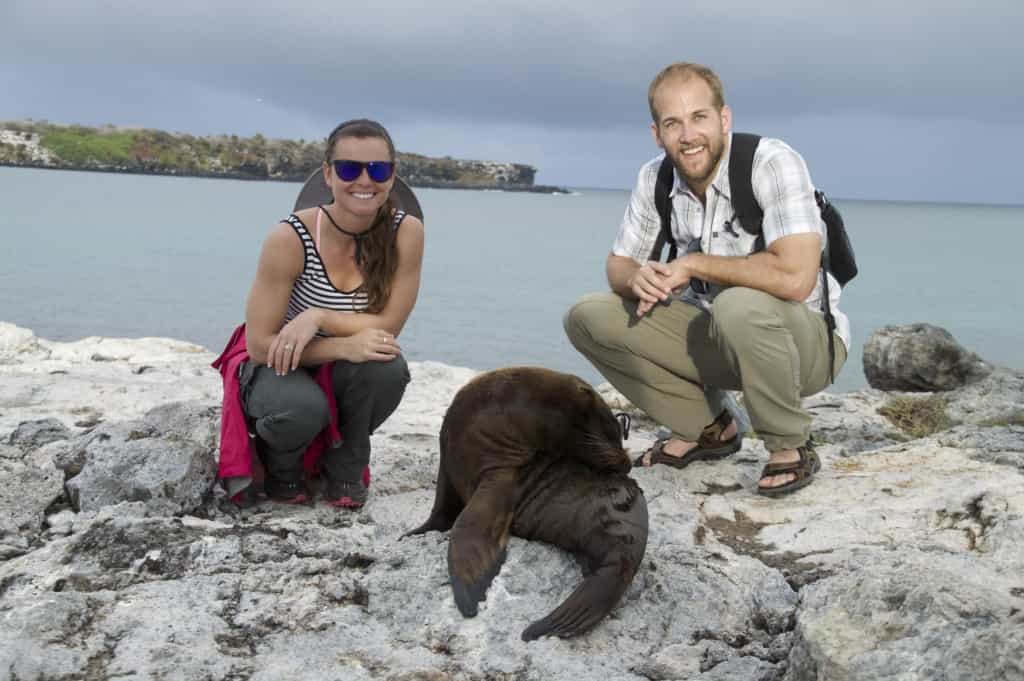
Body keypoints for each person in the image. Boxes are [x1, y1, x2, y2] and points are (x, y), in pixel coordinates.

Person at [563, 62, 850, 497]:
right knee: (587, 317)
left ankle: (789, 445)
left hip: (805, 347)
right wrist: (640, 277)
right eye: (672, 123)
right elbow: (619, 264)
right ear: (657, 133)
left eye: (699, 117)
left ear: (724, 118)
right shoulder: (655, 177)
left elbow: (796, 277)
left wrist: (694, 265)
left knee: (738, 305)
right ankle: (708, 429)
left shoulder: (771, 163)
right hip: (721, 336)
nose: (688, 135)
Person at [214, 118, 425, 508]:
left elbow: (389, 326)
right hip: (277, 360)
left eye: (378, 169)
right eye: (349, 169)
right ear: (328, 174)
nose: (365, 180)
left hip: (341, 364)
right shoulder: (290, 237)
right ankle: (282, 467)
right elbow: (260, 345)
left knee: (388, 367)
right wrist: (342, 346)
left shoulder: (406, 232)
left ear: (392, 175)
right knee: (301, 407)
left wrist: (319, 317)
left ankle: (345, 468)